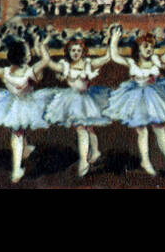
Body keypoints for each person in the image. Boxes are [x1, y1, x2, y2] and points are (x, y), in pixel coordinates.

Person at [105, 25, 165, 175]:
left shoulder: (156, 59)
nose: (149, 49)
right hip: (136, 98)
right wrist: (114, 40)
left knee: (160, 129)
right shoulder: (132, 63)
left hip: (154, 97)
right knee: (142, 131)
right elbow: (115, 56)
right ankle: (146, 161)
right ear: (138, 48)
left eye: (151, 46)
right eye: (145, 46)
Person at [37, 36, 112, 178]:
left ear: (83, 52)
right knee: (81, 128)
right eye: (73, 50)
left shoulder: (88, 63)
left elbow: (107, 57)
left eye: (78, 50)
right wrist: (43, 46)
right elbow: (49, 63)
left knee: (89, 127)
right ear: (68, 52)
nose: (76, 53)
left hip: (88, 99)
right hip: (72, 100)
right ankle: (84, 161)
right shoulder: (64, 65)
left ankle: (94, 152)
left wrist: (111, 40)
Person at [0, 36, 51, 183]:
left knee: (19, 128)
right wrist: (42, 47)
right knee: (17, 133)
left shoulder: (5, 71)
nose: (30, 54)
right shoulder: (30, 71)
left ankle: (24, 149)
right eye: (28, 52)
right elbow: (45, 61)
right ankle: (16, 170)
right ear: (25, 58)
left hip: (12, 104)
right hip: (25, 104)